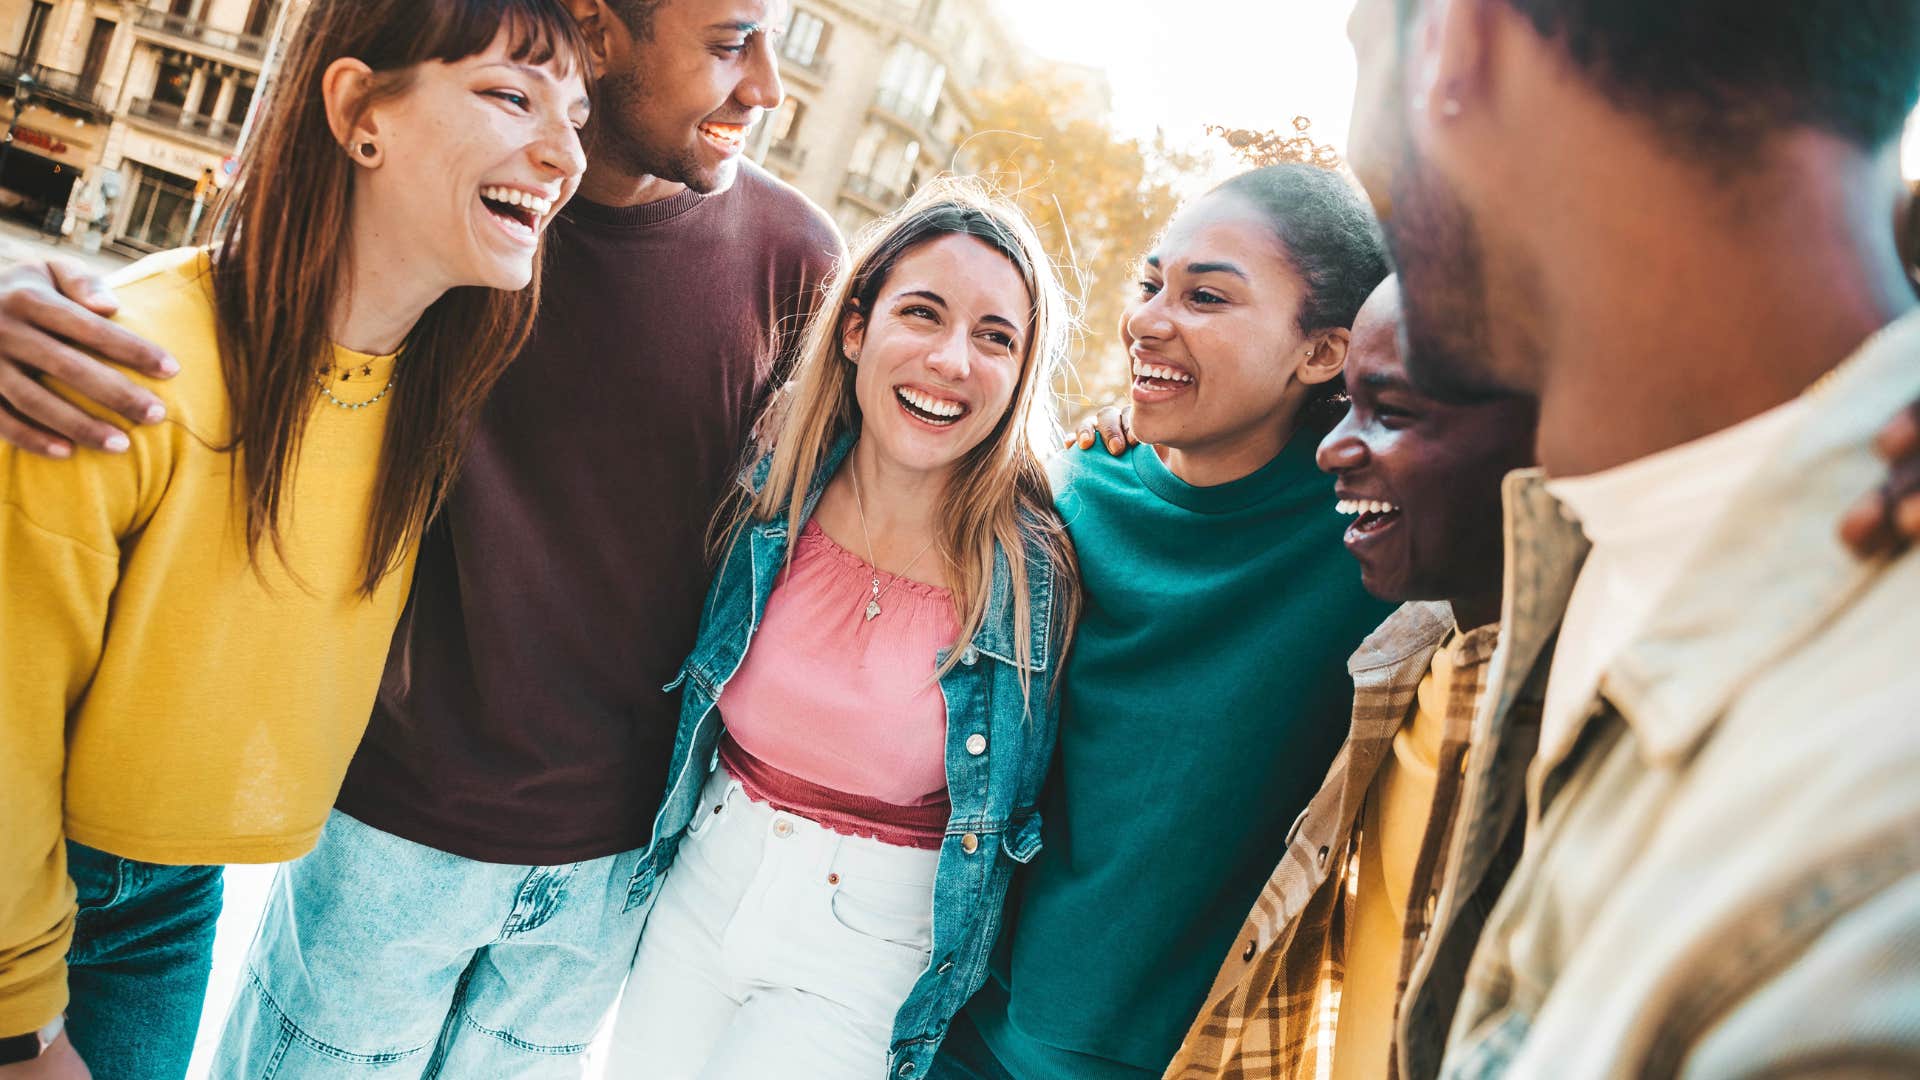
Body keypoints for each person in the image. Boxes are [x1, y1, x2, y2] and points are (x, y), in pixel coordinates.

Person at [0, 0, 843, 1073]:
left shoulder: (766, 264)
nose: (767, 84)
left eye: (568, 116)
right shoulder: (435, 246)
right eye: (731, 40)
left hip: (569, 872)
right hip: (337, 853)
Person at [0, 1, 590, 1076]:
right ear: (360, 112)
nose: (563, 154)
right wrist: (21, 1021)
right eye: (513, 95)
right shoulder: (120, 371)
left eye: (578, 116)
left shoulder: (434, 397)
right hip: (39, 912)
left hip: (173, 903)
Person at [1342, 0, 1920, 1075]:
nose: (1356, 156)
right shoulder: (1585, 534)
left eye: (1359, 47)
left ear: (1450, 45)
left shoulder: (1859, 893)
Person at [931, 163, 1396, 1079]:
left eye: (1206, 297)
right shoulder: (1068, 495)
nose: (1146, 318)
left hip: (1187, 1058)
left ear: (1320, 353)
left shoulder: (1367, 539)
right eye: (1151, 284)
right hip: (961, 1030)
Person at [608, 180, 1079, 1078]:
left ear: (1020, 374)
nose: (951, 360)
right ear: (856, 328)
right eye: (923, 313)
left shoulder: (1032, 568)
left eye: (995, 337)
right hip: (704, 872)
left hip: (872, 937)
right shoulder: (770, 483)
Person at [1164, 275, 1534, 1079]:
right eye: (1342, 410)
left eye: (1391, 413)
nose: (1334, 448)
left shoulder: (1594, 729)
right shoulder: (1403, 659)